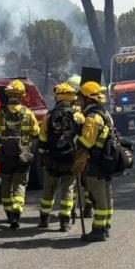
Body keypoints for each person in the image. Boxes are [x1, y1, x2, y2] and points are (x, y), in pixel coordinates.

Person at [0, 79, 40, 229]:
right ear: (22, 96)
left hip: (5, 155)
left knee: (6, 184)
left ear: (8, 95)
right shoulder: (28, 113)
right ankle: (17, 213)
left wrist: (1, 144)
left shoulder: (1, 113)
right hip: (22, 156)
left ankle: (9, 214)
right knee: (20, 185)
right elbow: (36, 133)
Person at [37, 82, 84, 231]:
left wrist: (43, 156)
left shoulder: (49, 116)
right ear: (72, 96)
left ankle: (44, 219)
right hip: (71, 159)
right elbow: (83, 136)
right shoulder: (78, 115)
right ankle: (65, 222)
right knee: (68, 190)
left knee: (48, 190)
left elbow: (43, 137)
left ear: (57, 97)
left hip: (52, 159)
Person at [77, 81, 114, 242]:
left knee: (98, 198)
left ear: (88, 99)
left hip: (95, 163)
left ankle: (98, 231)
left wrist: (75, 136)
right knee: (106, 196)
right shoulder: (105, 114)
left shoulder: (92, 118)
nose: (78, 100)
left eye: (80, 97)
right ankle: (105, 227)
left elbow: (86, 143)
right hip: (106, 162)